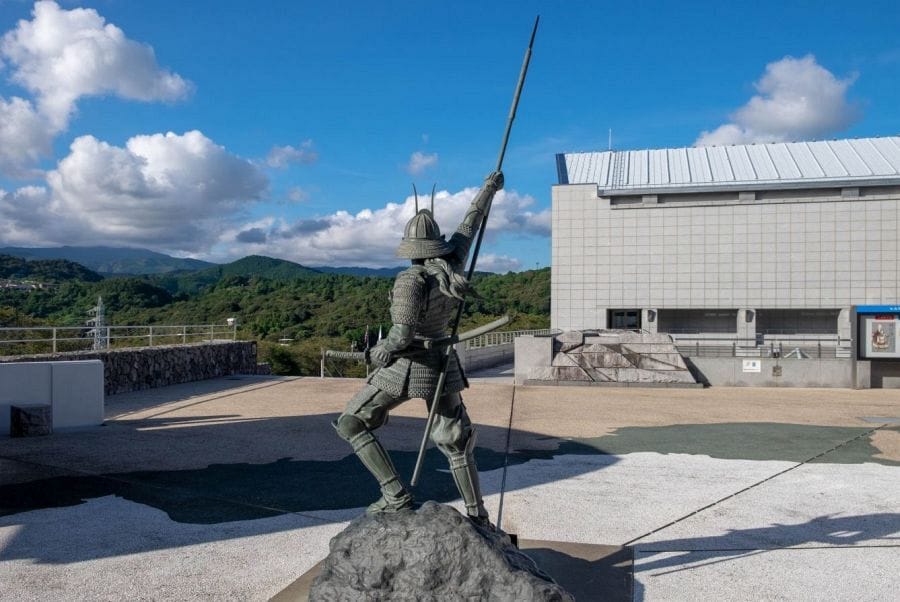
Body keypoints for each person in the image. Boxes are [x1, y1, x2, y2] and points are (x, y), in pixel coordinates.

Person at [333, 171, 504, 525]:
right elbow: (470, 223)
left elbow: (401, 335)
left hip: (410, 363)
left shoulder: (411, 280)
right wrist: (489, 189)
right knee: (456, 440)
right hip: (443, 361)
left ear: (409, 248)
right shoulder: (453, 263)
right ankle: (477, 514)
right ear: (438, 243)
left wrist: (381, 350)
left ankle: (395, 494)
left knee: (351, 422)